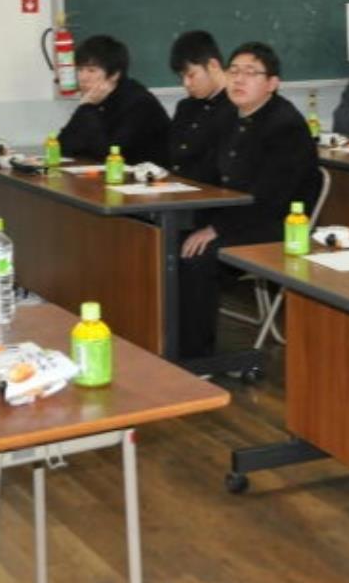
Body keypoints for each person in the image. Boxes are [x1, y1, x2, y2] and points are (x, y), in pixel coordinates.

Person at [177, 42, 320, 358]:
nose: (239, 79)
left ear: (272, 83)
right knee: (167, 240)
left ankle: (195, 358)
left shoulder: (285, 125)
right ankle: (168, 342)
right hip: (235, 215)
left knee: (196, 257)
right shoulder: (228, 115)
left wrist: (215, 228)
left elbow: (269, 198)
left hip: (276, 224)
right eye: (234, 71)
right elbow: (206, 173)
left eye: (251, 73)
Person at [57, 34, 170, 165]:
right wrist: (84, 108)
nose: (83, 77)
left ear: (115, 74)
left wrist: (87, 108)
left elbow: (109, 154)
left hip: (151, 176)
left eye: (91, 71)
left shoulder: (139, 103)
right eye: (80, 69)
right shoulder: (94, 99)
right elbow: (60, 148)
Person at [166, 30, 233, 183]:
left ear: (213, 65)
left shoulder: (237, 107)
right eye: (182, 77)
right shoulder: (185, 107)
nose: (186, 84)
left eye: (191, 75)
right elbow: (173, 158)